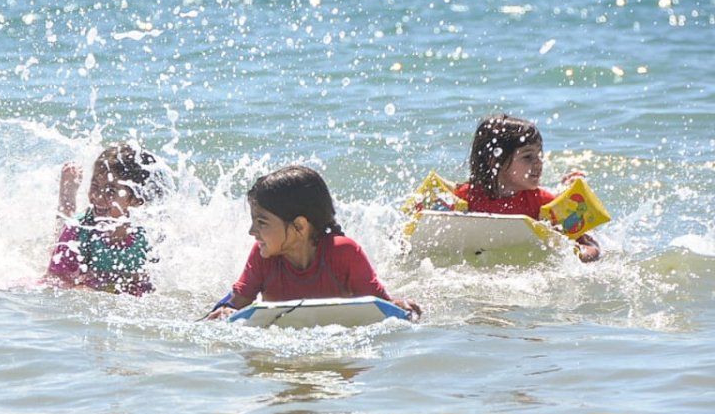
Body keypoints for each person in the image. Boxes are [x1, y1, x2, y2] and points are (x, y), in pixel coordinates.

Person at [207, 165, 420, 320]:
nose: (252, 231)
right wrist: (225, 310)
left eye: (261, 222)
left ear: (300, 226)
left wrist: (403, 308)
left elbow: (381, 307)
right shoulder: (264, 257)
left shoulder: (343, 253)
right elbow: (235, 302)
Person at [455, 114, 601, 262]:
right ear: (495, 161)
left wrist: (578, 255)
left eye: (539, 155)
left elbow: (590, 245)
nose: (538, 163)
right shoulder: (464, 197)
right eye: (528, 157)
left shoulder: (544, 203)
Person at [46, 143, 158, 296]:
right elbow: (56, 277)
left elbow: (152, 281)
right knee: (62, 230)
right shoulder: (79, 230)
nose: (98, 197)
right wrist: (87, 288)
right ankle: (67, 194)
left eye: (110, 191)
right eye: (95, 185)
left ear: (136, 200)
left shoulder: (146, 236)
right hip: (77, 235)